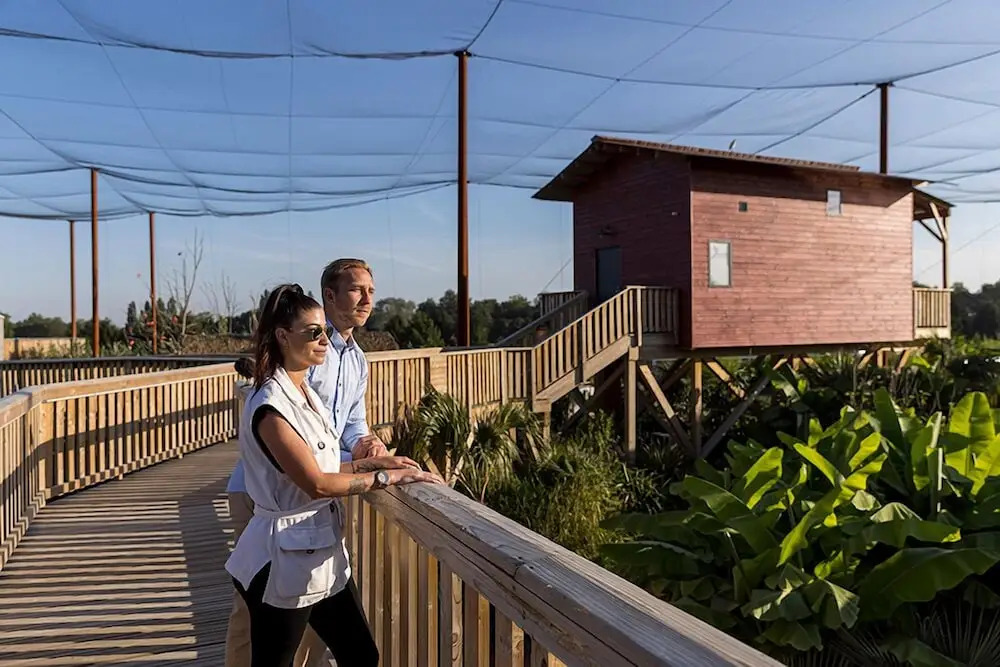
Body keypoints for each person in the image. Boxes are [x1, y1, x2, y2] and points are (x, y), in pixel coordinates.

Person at [225, 284, 441, 667]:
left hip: (320, 552)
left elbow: (327, 467)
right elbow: (317, 483)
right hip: (284, 559)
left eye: (324, 330)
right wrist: (384, 481)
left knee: (361, 654)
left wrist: (385, 464)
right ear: (282, 336)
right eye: (313, 332)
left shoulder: (305, 394)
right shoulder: (271, 408)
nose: (324, 340)